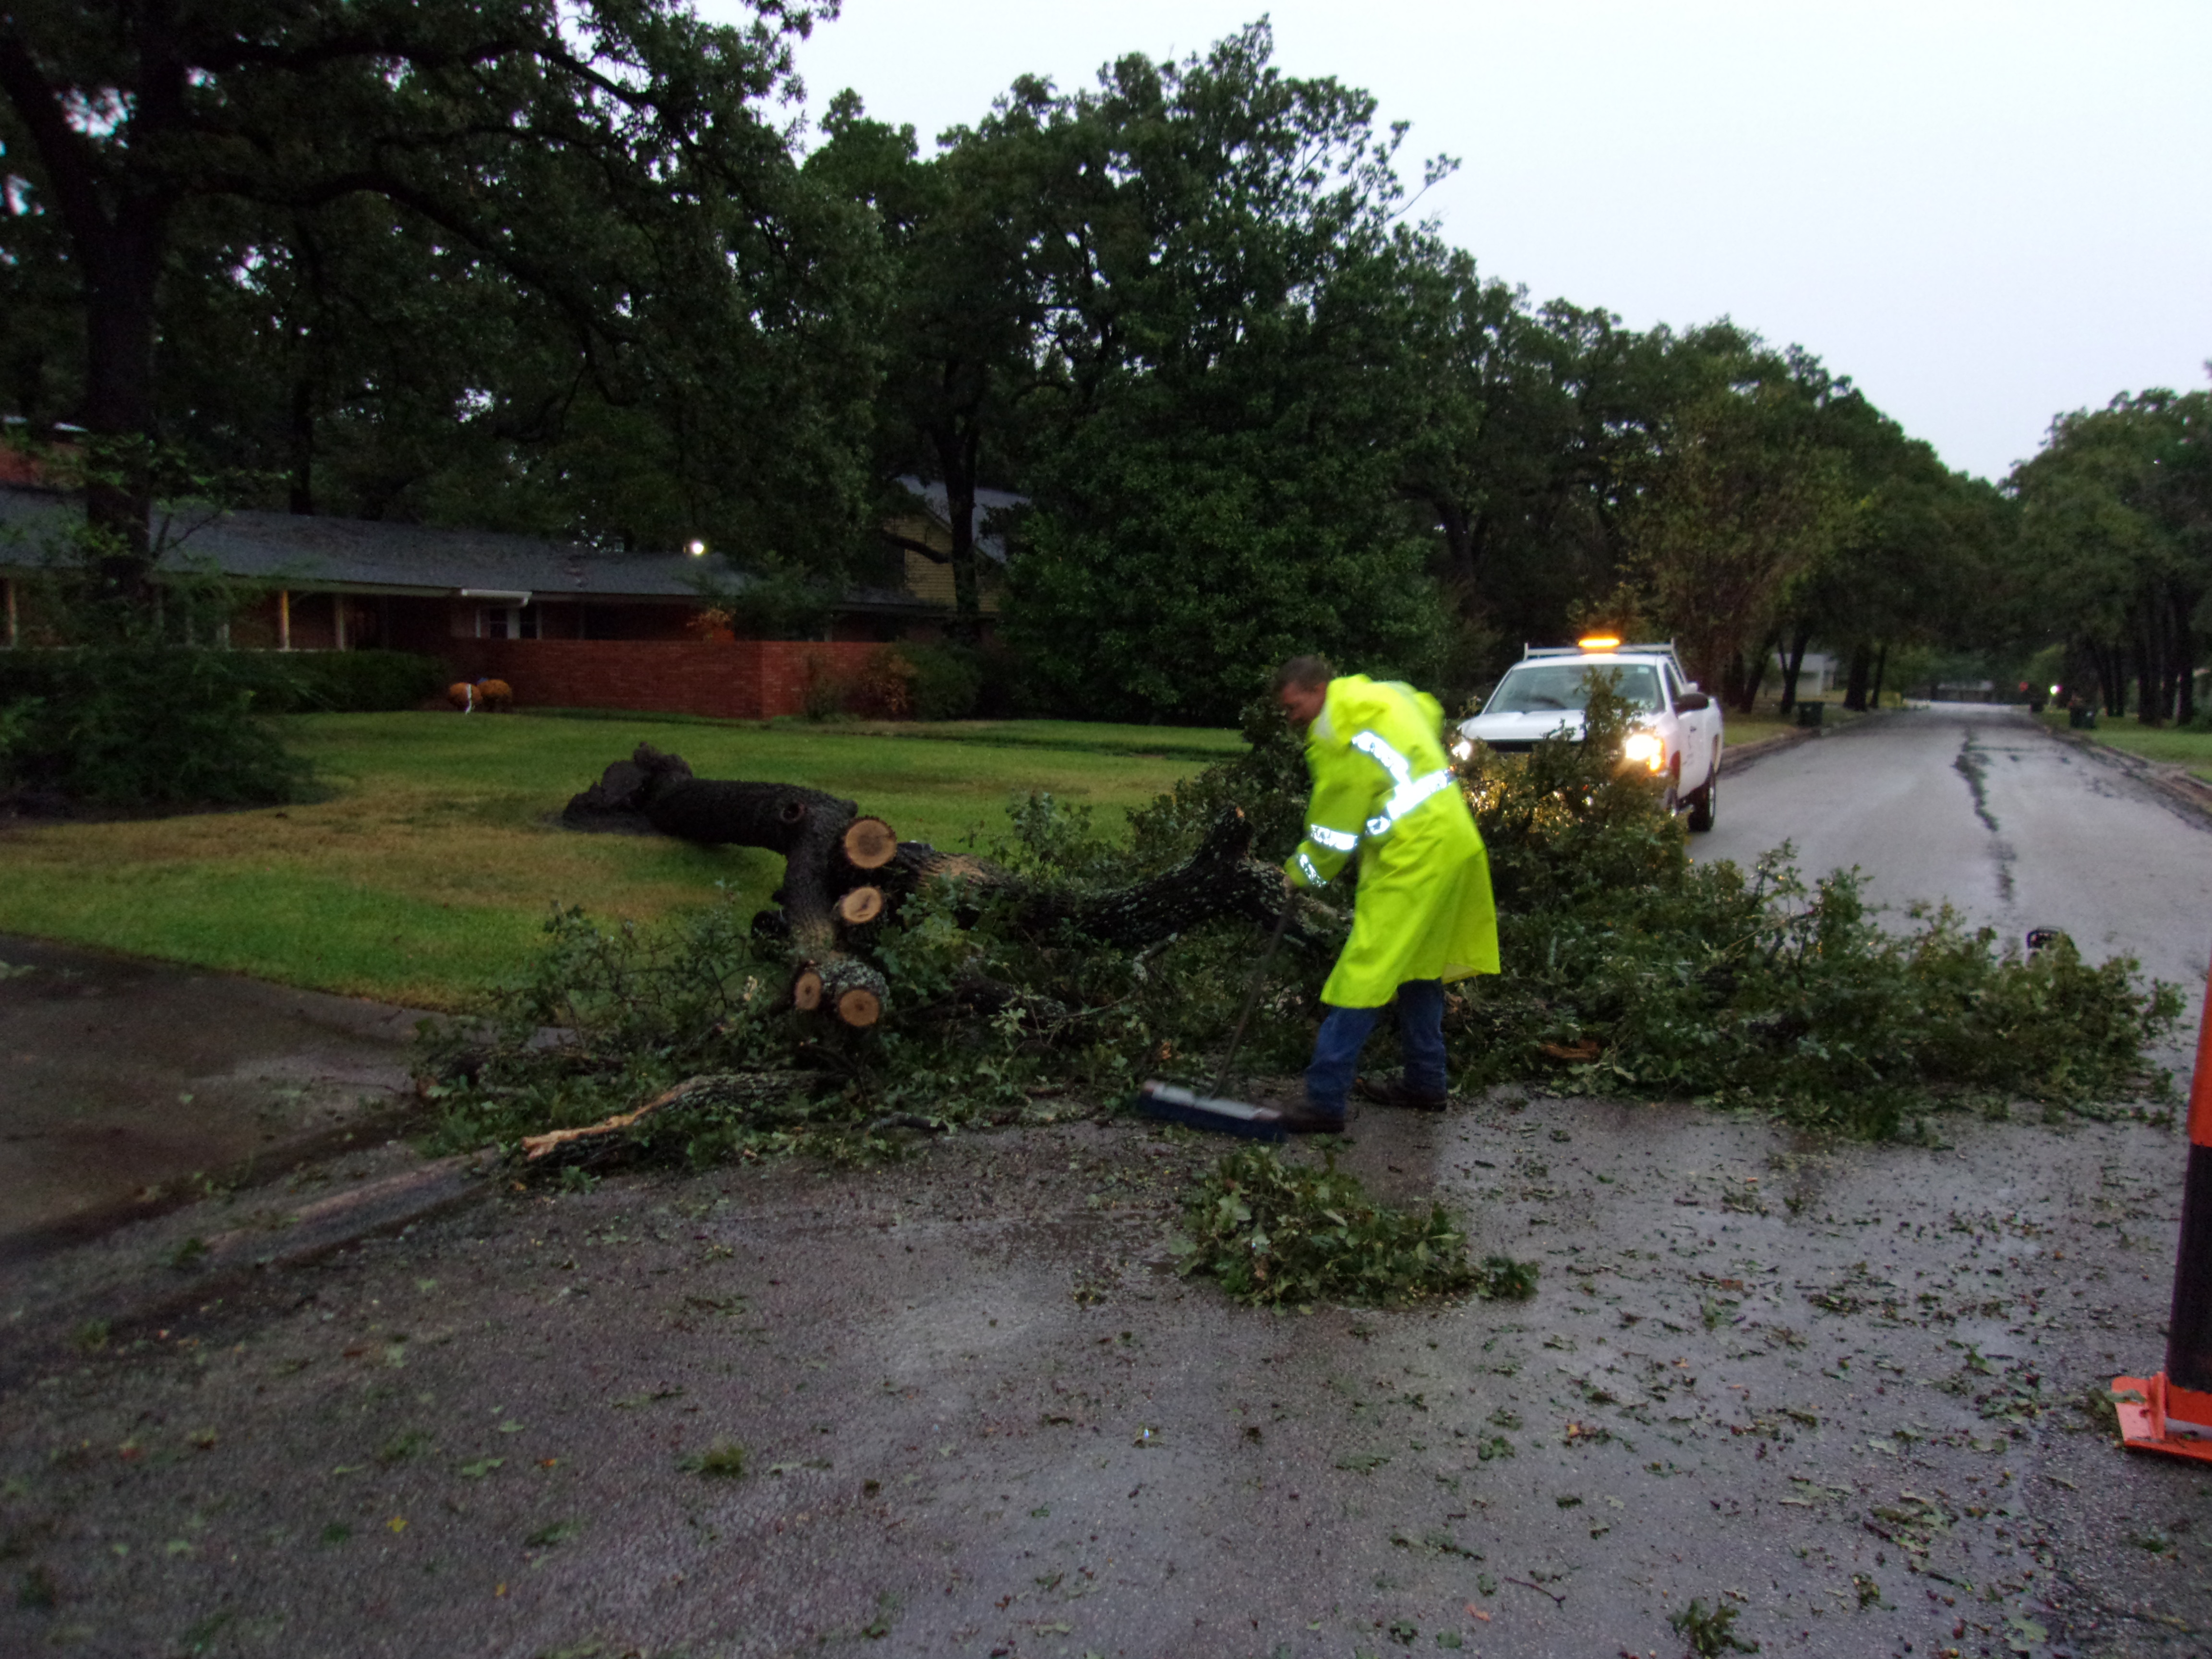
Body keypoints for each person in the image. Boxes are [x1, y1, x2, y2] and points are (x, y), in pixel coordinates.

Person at [1268, 655, 1499, 1132]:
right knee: (1421, 967)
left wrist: (1297, 874)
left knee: (1365, 969)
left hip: (1414, 855)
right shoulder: (1382, 695)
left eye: (1293, 706)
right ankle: (1426, 1082)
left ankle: (1325, 1100)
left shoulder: (1340, 738)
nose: (1291, 718)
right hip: (1453, 839)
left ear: (1318, 690)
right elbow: (1429, 708)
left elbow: (1333, 835)